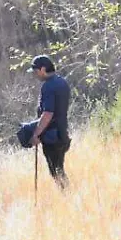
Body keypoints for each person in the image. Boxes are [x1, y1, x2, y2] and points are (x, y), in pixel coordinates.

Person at [28, 55, 72, 188]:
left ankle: (68, 197)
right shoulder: (62, 82)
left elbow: (47, 114)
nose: (35, 75)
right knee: (59, 170)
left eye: (36, 72)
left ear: (43, 69)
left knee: (56, 172)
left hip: (52, 137)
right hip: (63, 134)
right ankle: (68, 196)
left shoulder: (48, 86)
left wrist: (36, 134)